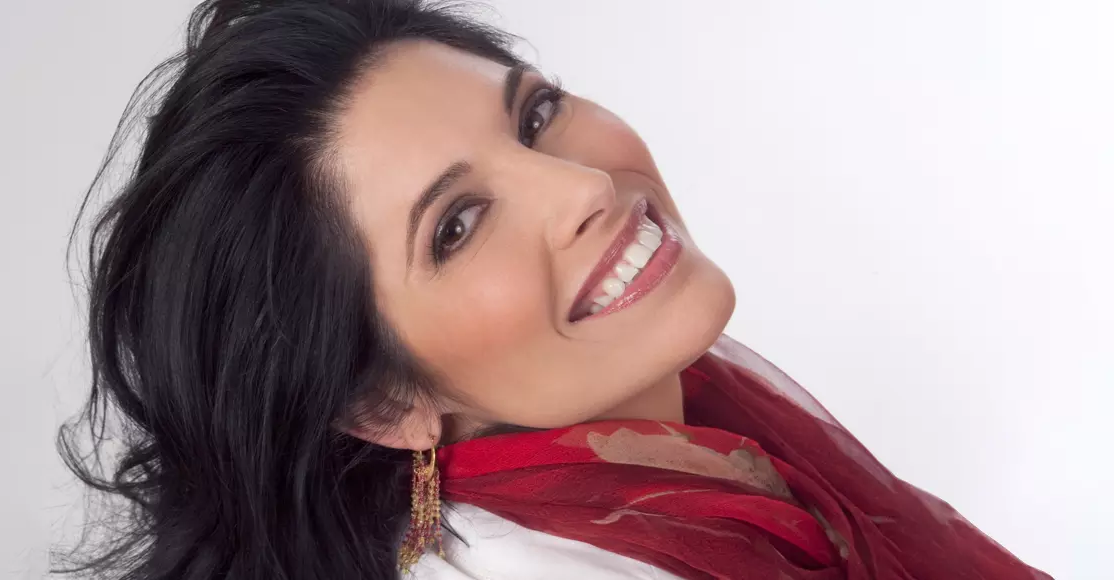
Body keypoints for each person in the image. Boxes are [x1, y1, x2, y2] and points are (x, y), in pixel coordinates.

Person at [56, 1, 1050, 578]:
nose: (581, 189)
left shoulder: (703, 439)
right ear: (382, 401)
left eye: (533, 117)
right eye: (456, 225)